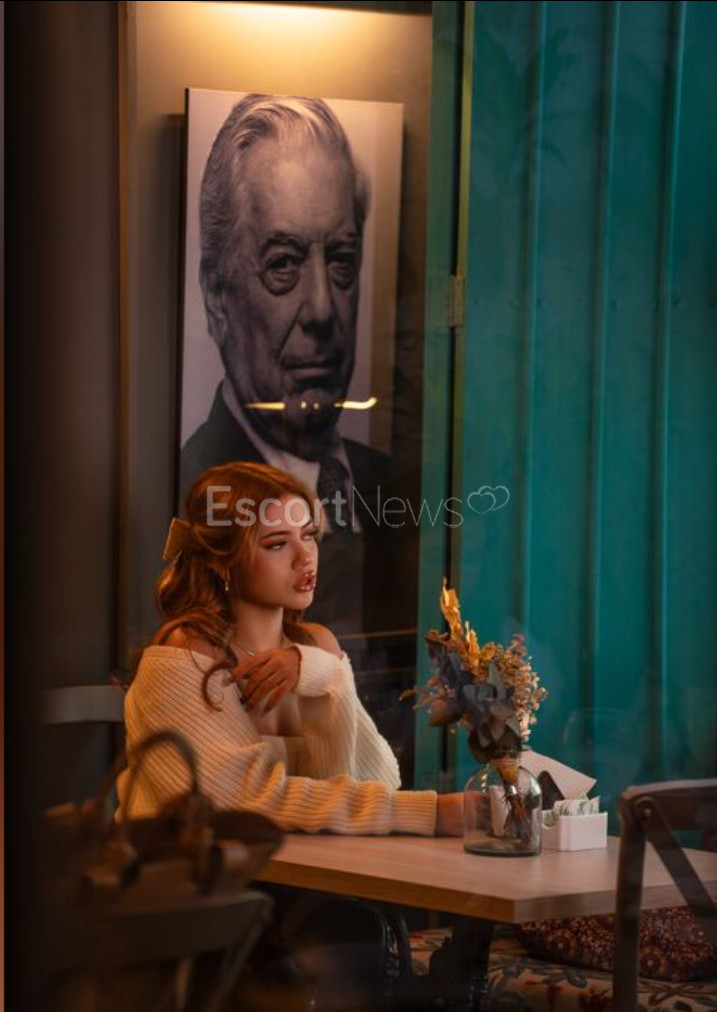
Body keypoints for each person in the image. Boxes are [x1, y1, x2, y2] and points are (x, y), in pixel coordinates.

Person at [120, 461, 463, 838]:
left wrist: (328, 679)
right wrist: (430, 813)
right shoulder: (184, 654)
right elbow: (238, 801)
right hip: (196, 870)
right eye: (277, 544)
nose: (305, 557)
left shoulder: (316, 647)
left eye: (309, 535)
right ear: (220, 562)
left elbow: (375, 781)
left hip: (310, 866)